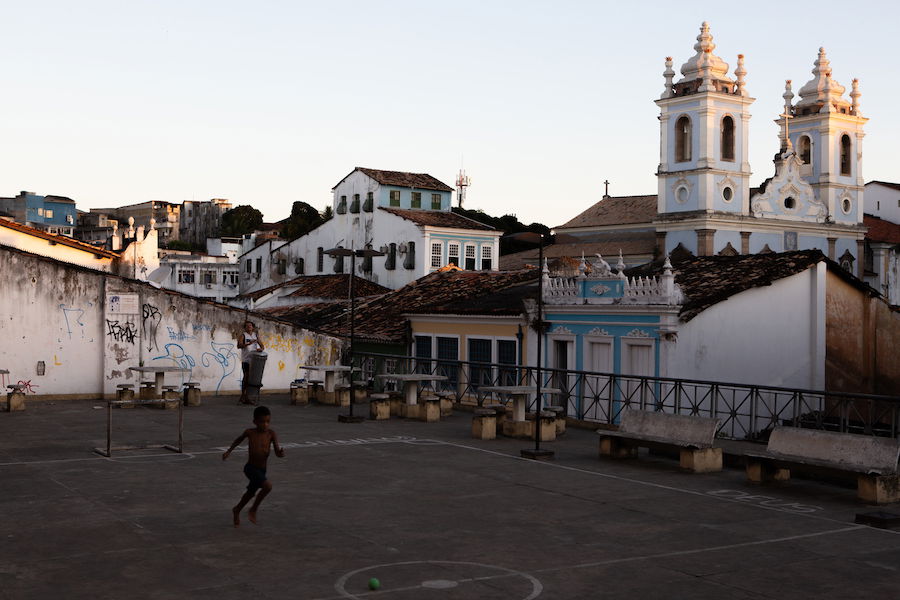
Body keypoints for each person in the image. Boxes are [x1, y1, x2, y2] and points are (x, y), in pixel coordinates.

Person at [222, 405, 285, 526]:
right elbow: (238, 440)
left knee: (250, 493)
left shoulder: (271, 434)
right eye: (262, 422)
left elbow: (277, 452)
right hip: (250, 468)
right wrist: (229, 451)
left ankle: (237, 509)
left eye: (268, 422)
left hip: (262, 470)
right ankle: (253, 509)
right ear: (255, 422)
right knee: (267, 486)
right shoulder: (250, 432)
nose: (265, 425)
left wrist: (280, 453)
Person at [237, 320, 265, 405]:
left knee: (252, 378)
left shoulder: (255, 335)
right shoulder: (243, 335)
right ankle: (243, 395)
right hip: (246, 360)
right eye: (247, 326)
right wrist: (249, 343)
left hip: (255, 360)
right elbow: (239, 346)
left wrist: (261, 349)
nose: (249, 327)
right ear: (245, 327)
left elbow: (262, 345)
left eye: (250, 325)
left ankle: (249, 397)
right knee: (246, 377)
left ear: (253, 327)